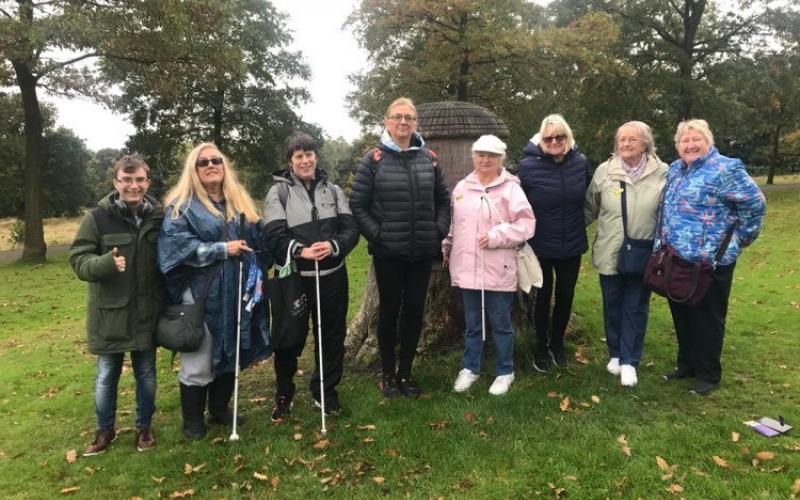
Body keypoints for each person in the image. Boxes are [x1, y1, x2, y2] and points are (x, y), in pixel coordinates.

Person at [158, 143, 271, 439]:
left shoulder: (240, 202)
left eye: (216, 160)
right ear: (193, 170)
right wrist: (222, 249)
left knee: (232, 349)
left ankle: (219, 410)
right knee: (200, 357)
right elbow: (177, 249)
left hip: (237, 292)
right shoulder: (181, 206)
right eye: (203, 162)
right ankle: (192, 421)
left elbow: (258, 239)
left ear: (224, 166)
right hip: (201, 295)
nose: (211, 165)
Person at [349, 97, 450, 398]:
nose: (403, 122)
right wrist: (377, 235)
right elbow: (358, 204)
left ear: (416, 122)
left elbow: (443, 200)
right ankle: (387, 374)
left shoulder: (428, 158)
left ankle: (406, 373)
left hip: (421, 252)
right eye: (397, 117)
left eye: (409, 117)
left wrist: (438, 231)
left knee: (415, 313)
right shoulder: (374, 159)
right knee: (389, 313)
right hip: (388, 254)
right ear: (387, 121)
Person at [659, 119, 765, 395]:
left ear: (709, 142)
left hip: (710, 260)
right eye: (685, 140)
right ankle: (687, 365)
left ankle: (708, 374)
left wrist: (742, 238)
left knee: (707, 317)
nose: (690, 145)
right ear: (678, 145)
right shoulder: (675, 169)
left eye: (697, 140)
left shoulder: (726, 169)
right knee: (681, 311)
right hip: (677, 256)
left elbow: (755, 204)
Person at [69, 155, 164, 456]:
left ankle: (144, 427)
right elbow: (78, 260)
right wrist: (106, 263)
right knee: (106, 375)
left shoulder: (159, 216)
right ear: (116, 182)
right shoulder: (96, 218)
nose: (133, 186)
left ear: (147, 183)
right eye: (127, 179)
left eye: (139, 180)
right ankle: (104, 431)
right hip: (109, 314)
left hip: (146, 311)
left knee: (146, 373)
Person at [263, 132, 359, 422]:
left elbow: (351, 230)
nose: (305, 160)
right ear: (290, 162)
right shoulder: (277, 193)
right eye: (299, 156)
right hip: (294, 279)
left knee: (331, 336)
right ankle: (284, 393)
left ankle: (325, 391)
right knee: (289, 338)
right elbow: (274, 236)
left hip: (332, 276)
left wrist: (333, 246)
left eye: (309, 154)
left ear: (316, 156)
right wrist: (300, 251)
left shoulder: (334, 191)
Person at [443, 135, 535, 395]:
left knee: (500, 322)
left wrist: (497, 236)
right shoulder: (462, 188)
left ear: (500, 160)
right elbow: (455, 224)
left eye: (492, 156)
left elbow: (526, 225)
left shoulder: (511, 188)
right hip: (467, 268)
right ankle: (470, 367)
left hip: (498, 267)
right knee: (473, 322)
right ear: (474, 157)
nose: (485, 160)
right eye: (481, 154)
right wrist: (447, 244)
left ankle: (505, 371)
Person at [584, 121, 667, 387]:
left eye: (632, 139)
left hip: (644, 252)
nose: (626, 144)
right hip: (610, 249)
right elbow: (589, 208)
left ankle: (630, 361)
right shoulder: (604, 172)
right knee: (612, 305)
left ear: (645, 143)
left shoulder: (664, 173)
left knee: (636, 306)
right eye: (622, 140)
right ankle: (616, 354)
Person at [517, 114, 590, 372]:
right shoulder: (526, 166)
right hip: (541, 244)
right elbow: (518, 203)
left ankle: (557, 344)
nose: (555, 141)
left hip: (572, 243)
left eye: (560, 136)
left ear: (567, 137)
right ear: (542, 140)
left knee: (566, 295)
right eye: (549, 138)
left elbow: (589, 197)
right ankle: (540, 347)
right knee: (543, 296)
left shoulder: (580, 163)